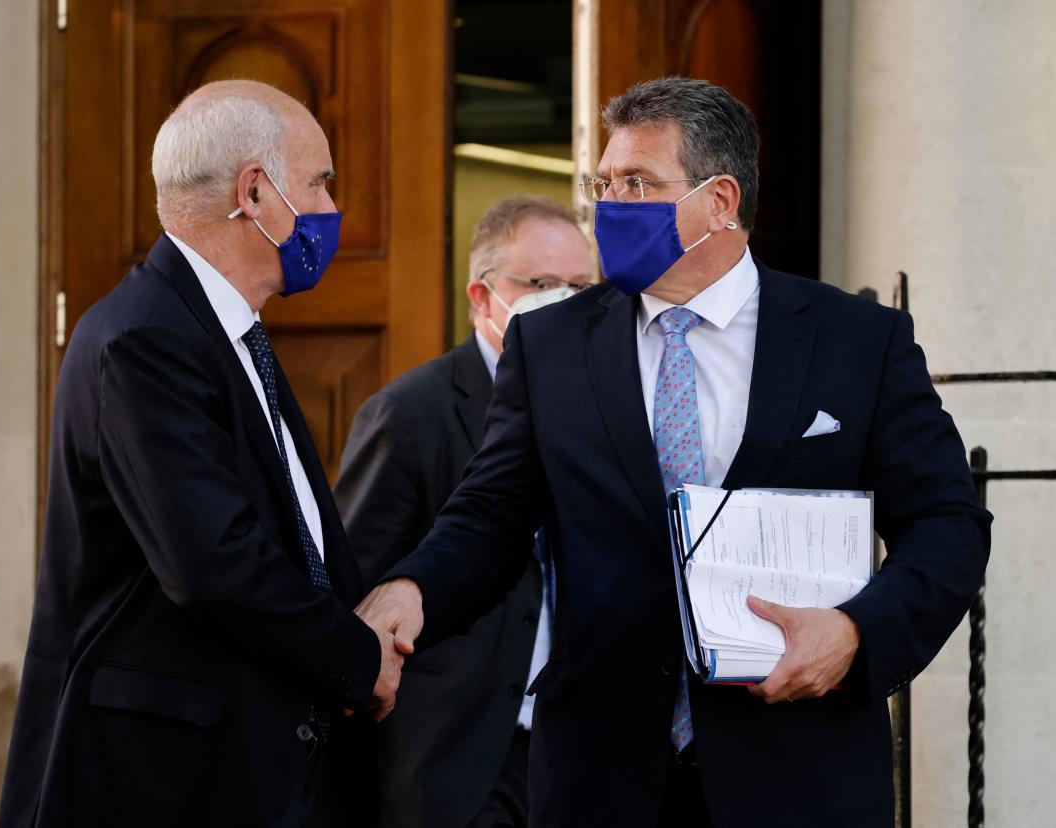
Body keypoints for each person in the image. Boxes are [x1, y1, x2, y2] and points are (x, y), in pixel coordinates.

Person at [356, 76, 992, 827]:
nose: (609, 205)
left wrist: (856, 633)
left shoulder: (855, 341)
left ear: (719, 202)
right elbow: (490, 515)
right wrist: (413, 590)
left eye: (638, 183)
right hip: (603, 778)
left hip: (799, 773)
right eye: (604, 183)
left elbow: (948, 525)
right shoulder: (551, 343)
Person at [0, 80, 404, 827]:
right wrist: (356, 655)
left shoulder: (225, 332)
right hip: (162, 784)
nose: (328, 209)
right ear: (255, 191)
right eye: (318, 183)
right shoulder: (147, 338)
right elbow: (214, 562)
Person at [335, 196, 595, 828]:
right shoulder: (410, 413)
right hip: (457, 758)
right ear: (483, 297)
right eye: (541, 284)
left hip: (578, 751)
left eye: (583, 287)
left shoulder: (598, 402)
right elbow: (353, 584)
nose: (564, 301)